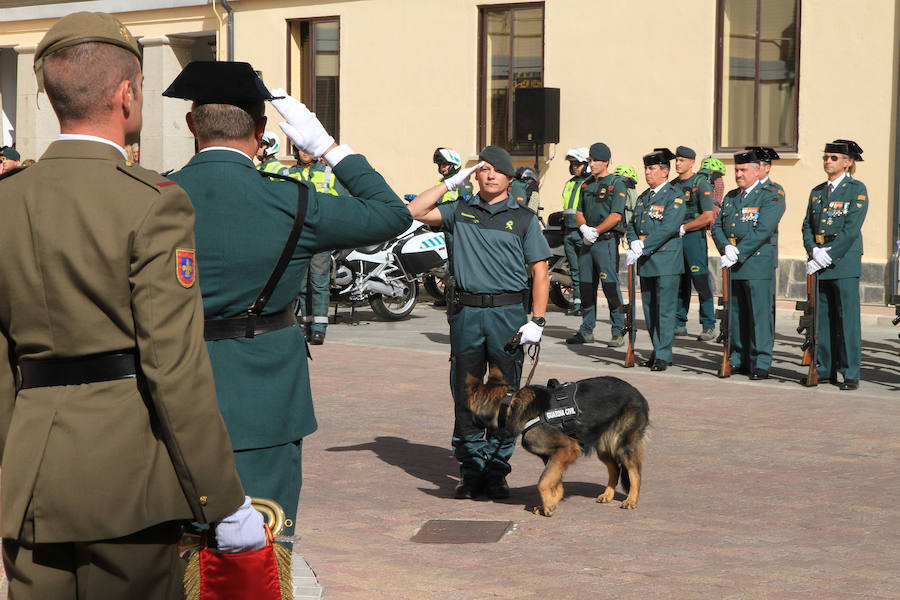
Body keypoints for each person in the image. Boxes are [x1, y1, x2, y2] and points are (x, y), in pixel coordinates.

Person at [0, 13, 262, 599]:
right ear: (127, 93)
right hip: (127, 480)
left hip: (30, 474)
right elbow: (174, 367)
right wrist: (220, 500)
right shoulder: (153, 202)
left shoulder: (8, 200)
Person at [163, 60, 412, 538]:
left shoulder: (156, 193)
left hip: (174, 386)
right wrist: (327, 147)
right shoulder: (293, 200)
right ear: (261, 130)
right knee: (263, 547)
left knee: (178, 552)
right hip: (266, 394)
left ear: (191, 124)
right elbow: (390, 213)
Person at [407, 145, 551, 501]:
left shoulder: (523, 219)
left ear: (508, 178)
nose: (489, 175)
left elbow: (540, 272)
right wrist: (451, 181)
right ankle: (471, 471)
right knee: (467, 396)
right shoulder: (459, 210)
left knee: (506, 399)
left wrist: (538, 320)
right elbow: (413, 210)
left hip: (507, 316)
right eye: (483, 169)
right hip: (468, 315)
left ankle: (497, 471)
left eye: (496, 171)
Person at [711, 149, 785, 379]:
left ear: (756, 170)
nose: (739, 174)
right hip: (734, 262)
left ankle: (761, 360)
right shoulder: (732, 197)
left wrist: (738, 251)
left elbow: (763, 229)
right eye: (737, 170)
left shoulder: (771, 193)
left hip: (757, 263)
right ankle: (738, 358)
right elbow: (717, 227)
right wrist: (726, 248)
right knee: (736, 313)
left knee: (759, 314)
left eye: (743, 170)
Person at [801, 139, 868, 390]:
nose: (827, 161)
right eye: (826, 157)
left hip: (844, 260)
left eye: (833, 158)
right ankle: (825, 368)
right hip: (820, 259)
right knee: (823, 318)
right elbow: (807, 224)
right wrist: (814, 251)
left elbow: (851, 228)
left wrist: (831, 253)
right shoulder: (817, 191)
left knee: (847, 318)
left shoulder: (856, 189)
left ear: (848, 163)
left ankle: (850, 372)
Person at [625, 148, 685, 371]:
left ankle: (663, 354)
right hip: (647, 261)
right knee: (650, 309)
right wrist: (633, 242)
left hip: (666, 261)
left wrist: (644, 245)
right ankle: (656, 349)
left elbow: (669, 227)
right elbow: (631, 223)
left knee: (665, 310)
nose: (647, 173)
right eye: (646, 168)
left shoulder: (674, 195)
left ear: (664, 171)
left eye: (651, 169)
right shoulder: (643, 197)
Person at [565, 142, 627, 347]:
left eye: (595, 161)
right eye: (590, 160)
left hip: (605, 241)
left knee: (610, 286)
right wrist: (584, 228)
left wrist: (596, 231)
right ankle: (586, 329)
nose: (591, 164)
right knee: (586, 286)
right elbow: (579, 211)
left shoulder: (616, 183)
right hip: (587, 240)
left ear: (606, 162)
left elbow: (616, 215)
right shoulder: (586, 184)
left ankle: (618, 330)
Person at [290, 147, 347, 344]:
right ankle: (307, 325)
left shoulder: (328, 174)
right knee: (301, 284)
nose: (304, 152)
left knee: (318, 281)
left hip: (320, 235)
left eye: (307, 148)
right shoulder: (288, 174)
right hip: (298, 236)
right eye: (300, 148)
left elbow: (342, 204)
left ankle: (319, 329)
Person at [671, 145, 717, 341]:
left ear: (692, 162)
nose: (677, 163)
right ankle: (679, 322)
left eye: (682, 160)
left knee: (700, 279)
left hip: (693, 238)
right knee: (680, 280)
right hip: (675, 237)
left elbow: (708, 216)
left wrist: (686, 227)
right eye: (677, 160)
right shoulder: (672, 185)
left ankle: (708, 324)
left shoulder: (701, 183)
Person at [432, 147, 473, 306]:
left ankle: (456, 296)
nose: (442, 167)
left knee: (456, 264)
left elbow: (465, 203)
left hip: (456, 228)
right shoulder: (442, 182)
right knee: (448, 263)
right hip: (444, 226)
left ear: (454, 164)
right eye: (440, 164)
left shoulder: (462, 180)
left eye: (445, 164)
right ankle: (448, 295)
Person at [561, 147, 591, 316]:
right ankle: (577, 303)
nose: (574, 167)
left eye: (578, 164)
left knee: (585, 269)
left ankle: (587, 304)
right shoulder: (570, 183)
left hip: (582, 231)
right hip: (569, 232)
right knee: (574, 270)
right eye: (573, 164)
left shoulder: (590, 183)